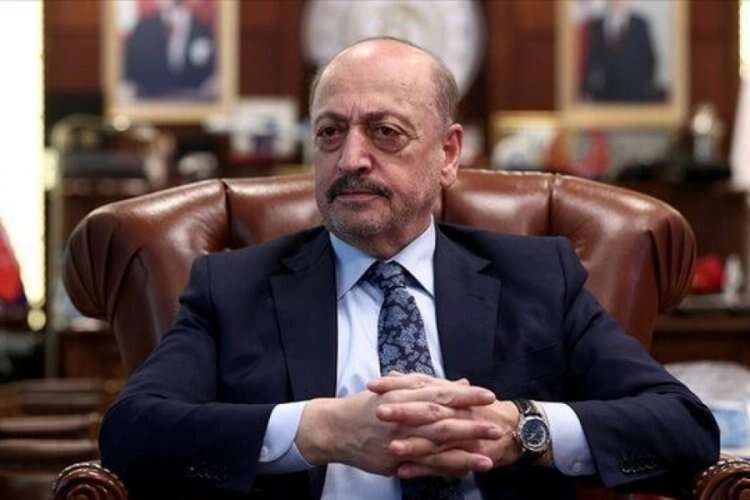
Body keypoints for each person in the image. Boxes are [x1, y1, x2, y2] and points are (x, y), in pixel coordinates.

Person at [99, 37, 719, 499]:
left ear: (447, 154)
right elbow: (131, 431)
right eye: (331, 132)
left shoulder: (538, 277)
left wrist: (521, 428)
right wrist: (318, 430)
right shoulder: (233, 287)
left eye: (385, 132)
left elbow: (683, 425)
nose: (352, 158)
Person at [124, 0, 216, 99]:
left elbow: (211, 72)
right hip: (150, 101)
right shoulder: (143, 29)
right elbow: (130, 71)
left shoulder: (203, 30)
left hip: (193, 102)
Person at [579, 0, 665, 102]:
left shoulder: (640, 24)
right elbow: (591, 61)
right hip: (604, 96)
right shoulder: (596, 25)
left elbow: (650, 59)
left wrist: (645, 88)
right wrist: (588, 89)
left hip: (635, 96)